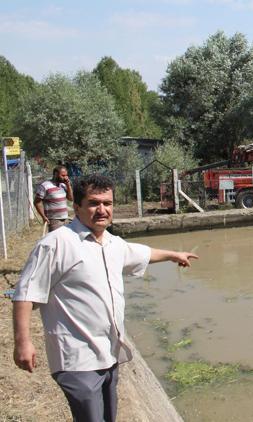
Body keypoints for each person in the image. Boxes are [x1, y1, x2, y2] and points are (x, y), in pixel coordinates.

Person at [12, 174, 198, 422]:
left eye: (107, 204)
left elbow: (142, 253)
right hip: (77, 359)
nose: (102, 210)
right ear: (76, 207)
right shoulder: (56, 244)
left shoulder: (112, 243)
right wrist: (23, 343)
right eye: (93, 203)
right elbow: (25, 294)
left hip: (109, 354)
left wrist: (175, 255)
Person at [34, 165, 73, 231]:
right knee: (56, 240)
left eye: (66, 175)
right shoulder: (45, 186)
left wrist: (68, 185)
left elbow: (71, 198)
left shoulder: (63, 185)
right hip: (54, 220)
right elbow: (37, 202)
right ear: (56, 174)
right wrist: (43, 216)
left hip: (65, 218)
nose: (66, 178)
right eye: (63, 175)